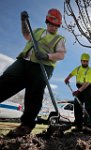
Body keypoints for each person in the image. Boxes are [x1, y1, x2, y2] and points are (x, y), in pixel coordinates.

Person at [0, 8, 66, 137]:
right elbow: (26, 35)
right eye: (51, 24)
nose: (53, 27)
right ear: (47, 22)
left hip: (42, 66)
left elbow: (61, 55)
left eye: (56, 26)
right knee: (6, 80)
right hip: (23, 62)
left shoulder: (59, 38)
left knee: (35, 91)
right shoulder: (37, 31)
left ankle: (26, 126)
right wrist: (23, 21)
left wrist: (47, 56)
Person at [64, 53, 91, 133]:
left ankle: (88, 127)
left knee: (88, 106)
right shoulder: (78, 69)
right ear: (81, 61)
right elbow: (72, 73)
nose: (85, 63)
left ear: (88, 62)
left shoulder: (90, 71)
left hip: (89, 89)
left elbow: (87, 84)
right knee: (77, 105)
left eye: (86, 61)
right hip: (81, 89)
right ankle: (78, 126)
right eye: (83, 61)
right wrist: (67, 78)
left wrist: (78, 91)